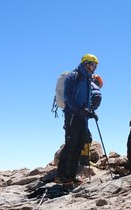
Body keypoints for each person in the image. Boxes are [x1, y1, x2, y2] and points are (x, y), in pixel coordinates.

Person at [55, 54, 99, 185]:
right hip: (72, 115)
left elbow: (88, 98)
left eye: (95, 65)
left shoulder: (87, 78)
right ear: (85, 63)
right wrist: (79, 109)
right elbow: (67, 95)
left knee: (79, 145)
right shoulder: (73, 76)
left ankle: (71, 176)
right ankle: (61, 176)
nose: (94, 68)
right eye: (92, 65)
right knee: (70, 144)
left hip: (82, 117)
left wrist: (90, 112)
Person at [79, 74, 103, 166]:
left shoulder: (83, 85)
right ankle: (84, 161)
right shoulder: (94, 89)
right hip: (80, 117)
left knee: (77, 137)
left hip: (71, 115)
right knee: (87, 137)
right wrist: (92, 112)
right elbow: (96, 97)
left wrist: (91, 113)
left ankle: (77, 160)